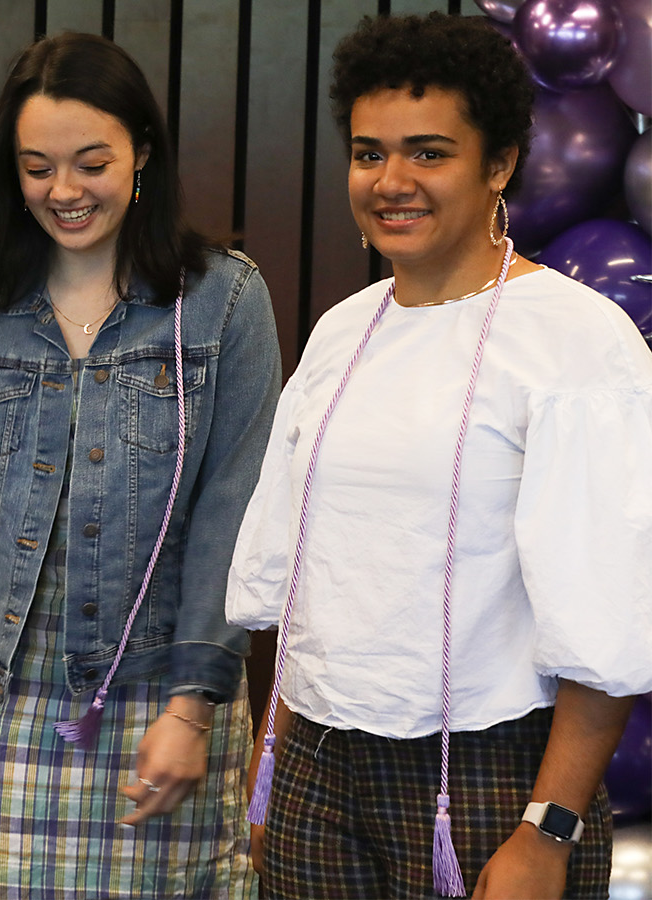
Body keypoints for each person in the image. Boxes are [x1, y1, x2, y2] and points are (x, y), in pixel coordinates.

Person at [226, 13, 652, 899]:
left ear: (497, 164)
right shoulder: (343, 330)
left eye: (428, 152)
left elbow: (607, 614)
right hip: (315, 763)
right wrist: (275, 779)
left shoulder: (578, 340)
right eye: (368, 152)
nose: (391, 182)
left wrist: (551, 830)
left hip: (496, 773)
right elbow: (303, 579)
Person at [0, 31, 279, 898]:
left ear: (142, 156)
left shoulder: (224, 299)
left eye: (91, 162)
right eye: (37, 167)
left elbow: (233, 515)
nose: (64, 191)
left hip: (163, 690)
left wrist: (193, 704)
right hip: (14, 699)